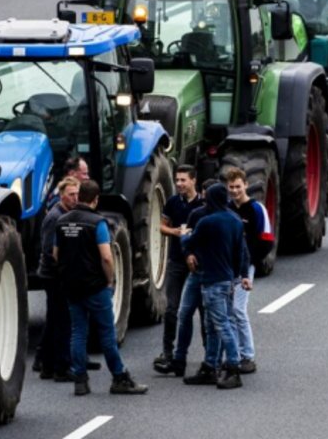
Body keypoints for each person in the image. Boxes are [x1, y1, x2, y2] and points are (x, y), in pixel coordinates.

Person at [54, 180, 147, 396]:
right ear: (95, 200)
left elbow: (56, 254)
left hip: (71, 286)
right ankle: (119, 377)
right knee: (107, 334)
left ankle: (80, 380)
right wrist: (110, 280)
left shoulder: (62, 221)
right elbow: (106, 256)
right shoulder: (98, 223)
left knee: (78, 333)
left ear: (79, 197)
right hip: (95, 287)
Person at [180, 183, 250, 389]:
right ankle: (210, 365)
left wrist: (184, 233)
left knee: (221, 325)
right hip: (228, 278)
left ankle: (233, 366)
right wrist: (240, 275)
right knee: (213, 324)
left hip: (211, 279)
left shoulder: (207, 221)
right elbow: (241, 251)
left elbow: (188, 244)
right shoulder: (236, 221)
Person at [222, 166, 272, 375]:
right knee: (227, 312)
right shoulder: (226, 208)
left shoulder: (257, 209)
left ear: (246, 186)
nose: (234, 191)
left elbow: (267, 240)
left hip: (244, 268)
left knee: (239, 311)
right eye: (231, 187)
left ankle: (248, 356)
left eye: (238, 187)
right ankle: (233, 355)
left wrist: (250, 262)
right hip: (226, 267)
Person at [153, 166, 202, 375]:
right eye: (177, 180)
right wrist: (175, 231)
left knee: (202, 310)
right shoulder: (173, 202)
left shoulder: (203, 204)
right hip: (176, 261)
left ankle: (211, 356)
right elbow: (161, 226)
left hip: (199, 264)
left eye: (183, 180)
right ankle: (167, 352)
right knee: (171, 309)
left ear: (193, 180)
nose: (179, 184)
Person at [36, 178, 80, 381]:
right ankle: (61, 367)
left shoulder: (66, 214)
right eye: (71, 194)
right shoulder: (55, 217)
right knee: (62, 321)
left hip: (57, 275)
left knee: (54, 320)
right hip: (54, 277)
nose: (75, 198)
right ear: (62, 195)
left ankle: (46, 365)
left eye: (77, 194)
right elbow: (48, 250)